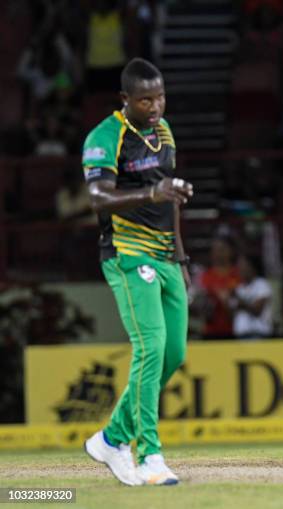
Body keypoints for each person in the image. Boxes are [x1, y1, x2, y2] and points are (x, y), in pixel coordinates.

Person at [82, 58, 194, 486]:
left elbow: (170, 201)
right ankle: (148, 455)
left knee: (174, 355)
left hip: (166, 256)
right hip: (128, 255)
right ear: (125, 99)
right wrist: (152, 189)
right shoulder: (105, 136)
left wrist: (181, 258)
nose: (155, 106)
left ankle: (110, 437)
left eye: (160, 96)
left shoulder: (164, 132)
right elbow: (97, 197)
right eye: (145, 99)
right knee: (150, 347)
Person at [230, 255, 274, 339]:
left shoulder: (262, 284)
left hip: (258, 335)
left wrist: (238, 299)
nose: (240, 269)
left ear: (253, 267)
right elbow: (232, 314)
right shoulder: (239, 288)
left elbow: (257, 310)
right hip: (240, 335)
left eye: (244, 266)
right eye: (239, 266)